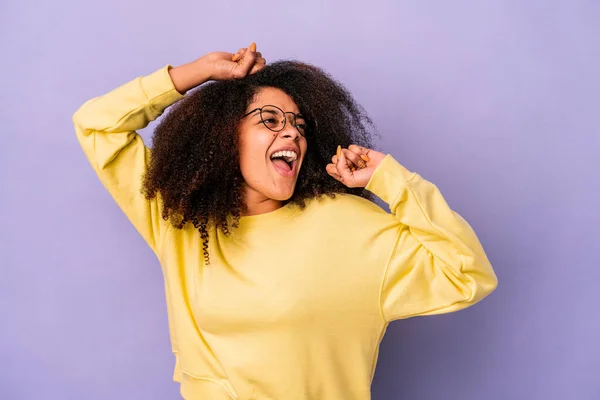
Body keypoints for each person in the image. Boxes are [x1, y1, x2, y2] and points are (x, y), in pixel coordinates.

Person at [73, 43, 498, 400]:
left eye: (298, 125)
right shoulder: (183, 223)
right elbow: (97, 126)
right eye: (270, 121)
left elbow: (467, 273)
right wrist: (199, 73)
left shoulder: (347, 226)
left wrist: (392, 179)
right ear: (222, 135)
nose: (293, 134)